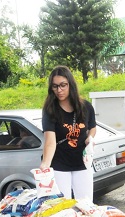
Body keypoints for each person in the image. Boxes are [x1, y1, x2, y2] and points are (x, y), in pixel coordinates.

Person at [40, 65, 97, 201]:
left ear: (70, 84)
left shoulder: (86, 107)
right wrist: (45, 164)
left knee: (86, 204)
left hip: (82, 162)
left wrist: (90, 138)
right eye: (55, 86)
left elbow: (92, 128)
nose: (59, 90)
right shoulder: (50, 110)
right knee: (62, 207)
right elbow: (50, 141)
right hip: (59, 164)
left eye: (63, 85)